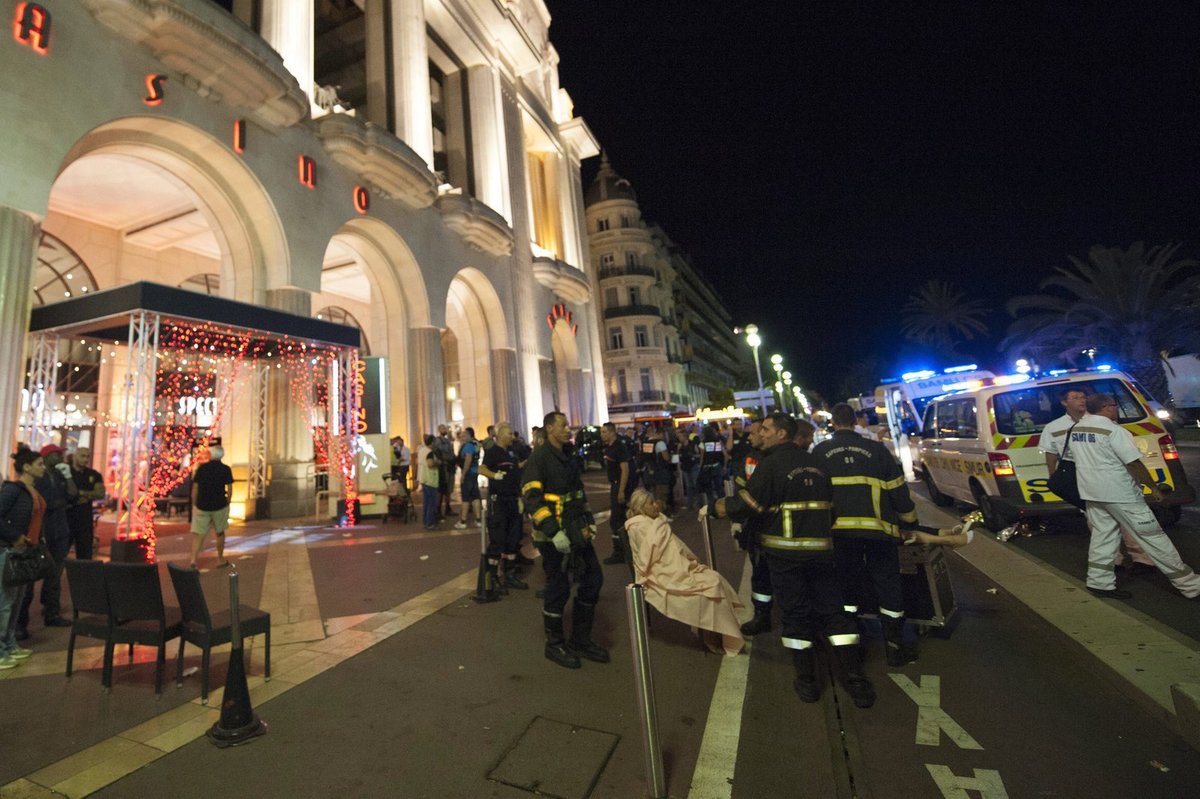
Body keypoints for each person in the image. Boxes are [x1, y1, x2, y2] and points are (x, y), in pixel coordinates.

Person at [705, 412, 874, 707]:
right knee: (834, 612)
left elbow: (747, 505)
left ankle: (807, 680)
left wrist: (714, 509)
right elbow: (831, 508)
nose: (762, 433)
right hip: (822, 552)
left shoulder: (771, 466)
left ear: (781, 434)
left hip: (786, 555)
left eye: (767, 429)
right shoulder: (817, 462)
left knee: (796, 615)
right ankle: (856, 679)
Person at [813, 403, 920, 667]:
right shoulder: (876, 450)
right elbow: (898, 492)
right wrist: (910, 522)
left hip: (839, 534)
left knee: (847, 585)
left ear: (834, 423)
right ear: (855, 421)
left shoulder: (820, 452)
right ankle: (894, 647)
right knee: (887, 585)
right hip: (878, 532)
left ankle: (854, 646)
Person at [1069, 393, 1200, 600]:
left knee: (1103, 536)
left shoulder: (1077, 429)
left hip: (1092, 493)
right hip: (1120, 494)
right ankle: (1190, 585)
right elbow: (1133, 463)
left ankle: (1099, 582)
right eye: (1114, 405)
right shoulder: (1113, 430)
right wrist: (1154, 488)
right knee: (1154, 537)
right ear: (1106, 407)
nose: (1116, 409)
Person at [522, 411, 607, 669]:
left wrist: (589, 520)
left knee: (593, 579)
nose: (569, 429)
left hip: (575, 530)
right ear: (549, 429)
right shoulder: (538, 459)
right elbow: (532, 499)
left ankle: (581, 639)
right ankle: (555, 644)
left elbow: (577, 492)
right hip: (553, 537)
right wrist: (553, 531)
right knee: (558, 589)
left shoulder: (569, 456)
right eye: (563, 425)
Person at [1041, 387, 1154, 569]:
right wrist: (1053, 475)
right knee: (1099, 525)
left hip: (1112, 478)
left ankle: (1141, 560)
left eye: (1083, 396)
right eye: (1076, 397)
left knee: (1128, 522)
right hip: (1085, 481)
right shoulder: (1054, 427)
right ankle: (1112, 562)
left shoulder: (1102, 423)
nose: (1082, 400)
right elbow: (1051, 452)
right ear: (1064, 402)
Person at [626, 488, 744, 655]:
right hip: (664, 572)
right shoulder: (639, 526)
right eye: (651, 503)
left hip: (676, 567)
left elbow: (673, 548)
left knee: (713, 579)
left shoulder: (656, 521)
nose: (656, 505)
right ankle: (711, 633)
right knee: (711, 585)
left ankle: (716, 631)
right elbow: (647, 557)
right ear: (641, 507)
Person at [18, 444, 76, 637]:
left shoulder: (60, 476)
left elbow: (73, 495)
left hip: (60, 532)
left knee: (55, 575)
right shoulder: (36, 480)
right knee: (29, 581)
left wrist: (68, 477)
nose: (60, 456)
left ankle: (52, 612)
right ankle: (20, 624)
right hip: (41, 534)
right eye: (56, 454)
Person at [0, 447, 46, 668]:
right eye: (39, 464)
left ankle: (9, 645)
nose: (43, 467)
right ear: (26, 467)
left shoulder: (32, 490)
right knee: (5, 601)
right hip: (9, 550)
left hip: (25, 552)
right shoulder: (13, 490)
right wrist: (14, 536)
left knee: (17, 601)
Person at [478, 422, 528, 599]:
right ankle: (492, 577)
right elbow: (482, 469)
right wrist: (494, 475)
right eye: (508, 433)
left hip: (513, 500)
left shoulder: (511, 453)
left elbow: (516, 474)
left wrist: (520, 497)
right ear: (498, 435)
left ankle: (510, 574)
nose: (511, 436)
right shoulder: (493, 452)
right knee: (498, 539)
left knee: (513, 539)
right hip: (498, 502)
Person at [189, 444, 234, 569]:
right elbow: (229, 488)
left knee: (199, 534)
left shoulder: (201, 469)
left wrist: (194, 504)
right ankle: (220, 559)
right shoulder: (225, 469)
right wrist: (228, 501)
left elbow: (195, 488)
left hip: (202, 505)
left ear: (211, 455)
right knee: (220, 532)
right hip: (220, 504)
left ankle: (193, 560)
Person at [599, 423, 632, 565]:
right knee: (618, 520)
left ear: (612, 432)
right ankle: (625, 550)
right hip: (615, 485)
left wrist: (621, 491)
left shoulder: (619, 447)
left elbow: (625, 469)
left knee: (616, 521)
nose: (602, 434)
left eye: (604, 432)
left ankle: (620, 552)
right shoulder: (610, 447)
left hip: (619, 485)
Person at [67, 447, 105, 560]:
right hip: (67, 517)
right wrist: (87, 495)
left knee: (85, 553)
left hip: (84, 518)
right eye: (82, 456)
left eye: (88, 456)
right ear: (75, 456)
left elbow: (100, 493)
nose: (85, 459)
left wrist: (81, 493)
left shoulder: (94, 475)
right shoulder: (66, 473)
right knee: (61, 551)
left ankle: (83, 576)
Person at [454, 428, 481, 529]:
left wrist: (463, 474)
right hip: (474, 473)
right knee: (475, 496)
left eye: (464, 435)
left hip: (469, 474)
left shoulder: (468, 446)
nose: (462, 437)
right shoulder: (475, 444)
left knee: (466, 497)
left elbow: (468, 460)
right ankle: (478, 519)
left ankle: (463, 520)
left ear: (470, 435)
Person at [697, 423, 726, 508]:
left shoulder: (703, 443)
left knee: (709, 489)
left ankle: (712, 508)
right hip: (717, 466)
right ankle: (723, 506)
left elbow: (702, 457)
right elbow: (725, 455)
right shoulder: (718, 442)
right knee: (719, 488)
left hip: (707, 468)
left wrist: (701, 467)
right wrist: (724, 465)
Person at [419, 438, 440, 530]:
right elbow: (430, 464)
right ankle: (429, 522)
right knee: (431, 503)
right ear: (431, 443)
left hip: (424, 478)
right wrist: (438, 462)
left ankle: (425, 521)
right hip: (431, 479)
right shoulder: (430, 452)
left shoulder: (421, 450)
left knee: (426, 503)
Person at [436, 425, 456, 519]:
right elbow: (440, 453)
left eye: (445, 429)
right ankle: (439, 510)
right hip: (444, 467)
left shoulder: (448, 441)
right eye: (443, 429)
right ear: (439, 430)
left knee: (449, 488)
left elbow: (451, 452)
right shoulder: (438, 441)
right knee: (443, 489)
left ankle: (448, 508)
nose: (445, 430)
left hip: (450, 466)